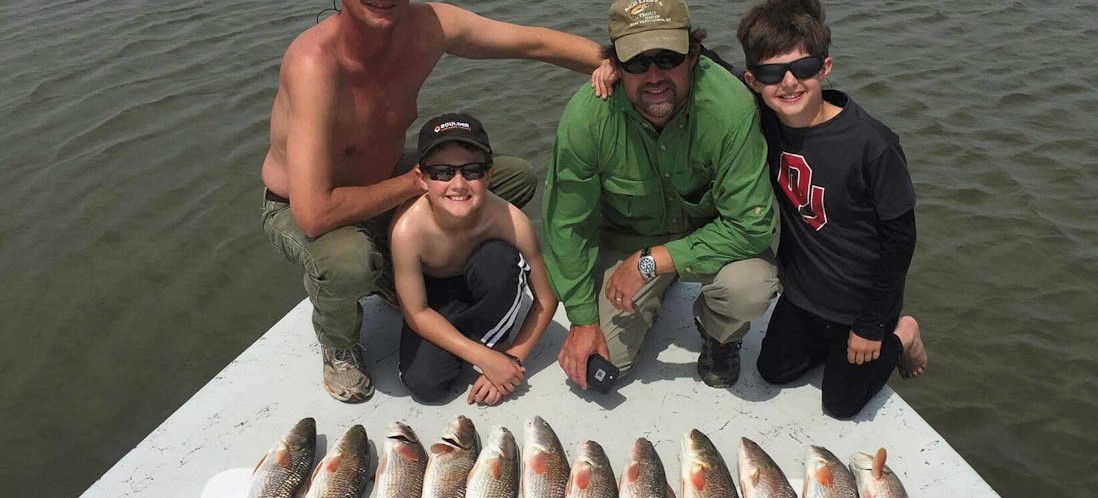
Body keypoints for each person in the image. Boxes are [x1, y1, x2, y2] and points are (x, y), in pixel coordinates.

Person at [260, 1, 613, 402]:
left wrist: (618, 63)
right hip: (304, 207)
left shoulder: (427, 25)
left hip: (389, 177)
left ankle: (404, 271)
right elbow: (314, 214)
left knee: (513, 177)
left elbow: (531, 44)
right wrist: (416, 184)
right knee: (348, 262)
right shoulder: (314, 64)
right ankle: (338, 342)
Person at [542, 0, 780, 391]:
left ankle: (719, 334)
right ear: (614, 64)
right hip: (628, 239)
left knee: (749, 287)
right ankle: (645, 292)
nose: (654, 75)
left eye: (668, 58)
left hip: (711, 238)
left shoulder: (732, 106)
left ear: (693, 55)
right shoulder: (587, 118)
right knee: (600, 370)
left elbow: (752, 226)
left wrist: (653, 263)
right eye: (637, 62)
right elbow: (566, 225)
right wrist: (583, 320)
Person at [738, 0, 928, 419]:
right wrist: (607, 65)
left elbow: (901, 241)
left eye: (803, 69)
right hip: (805, 294)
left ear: (825, 68)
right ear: (753, 81)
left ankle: (905, 333)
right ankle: (829, 342)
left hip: (861, 302)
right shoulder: (766, 119)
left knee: (840, 406)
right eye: (772, 74)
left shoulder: (873, 145)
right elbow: (701, 69)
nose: (788, 83)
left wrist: (871, 325)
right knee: (772, 372)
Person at [390, 114, 557, 405]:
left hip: (484, 275)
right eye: (442, 172)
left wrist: (512, 359)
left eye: (472, 171)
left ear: (489, 175)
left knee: (501, 260)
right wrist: (482, 357)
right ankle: (478, 340)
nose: (458, 184)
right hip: (433, 298)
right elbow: (416, 312)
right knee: (426, 386)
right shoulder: (407, 231)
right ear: (422, 178)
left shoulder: (511, 222)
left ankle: (493, 337)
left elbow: (546, 298)